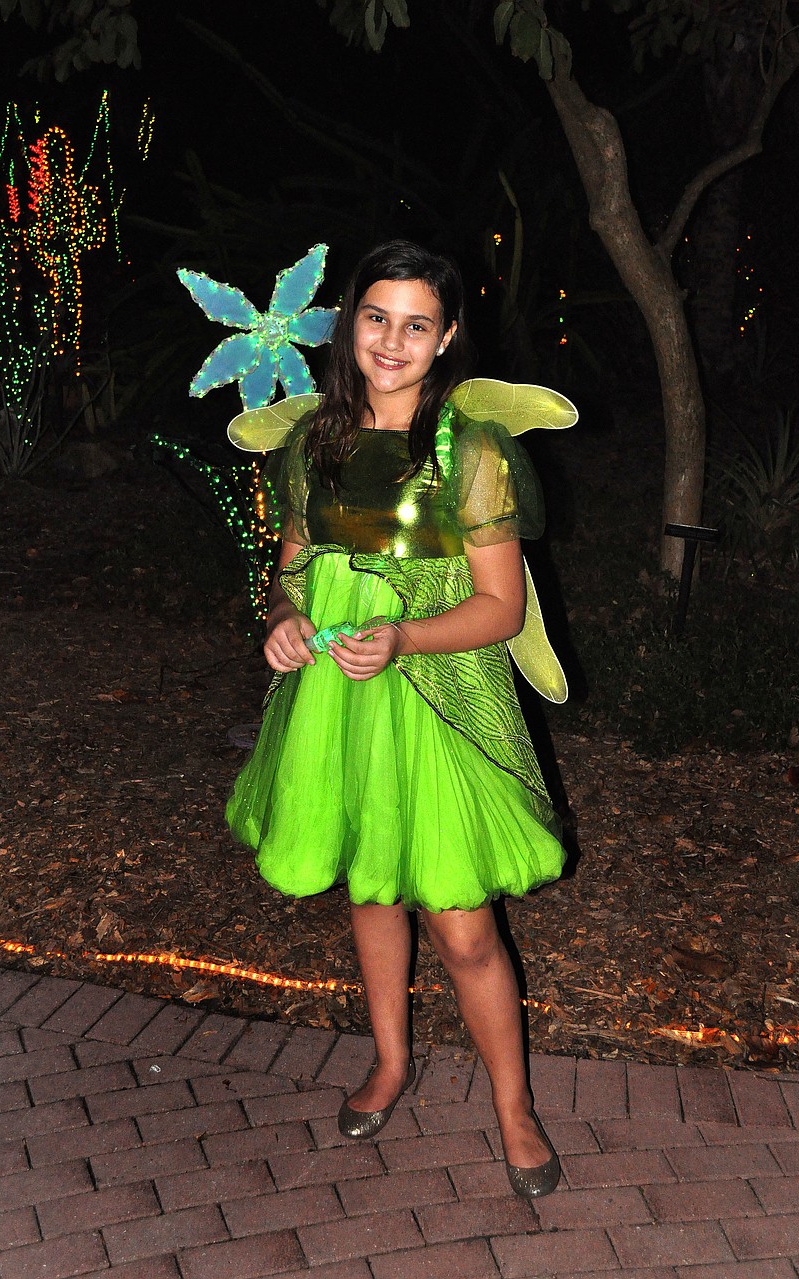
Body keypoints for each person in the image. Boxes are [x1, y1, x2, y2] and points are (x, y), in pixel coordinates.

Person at [226, 239, 571, 1198]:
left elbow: (501, 609)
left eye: (417, 323)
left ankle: (515, 1107)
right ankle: (390, 1059)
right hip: (338, 699)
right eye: (376, 317)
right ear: (349, 323)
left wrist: (403, 637)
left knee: (462, 926)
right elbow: (290, 575)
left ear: (447, 337)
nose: (392, 340)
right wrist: (286, 625)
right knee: (370, 886)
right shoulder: (311, 445)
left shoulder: (472, 449)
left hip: (433, 695)